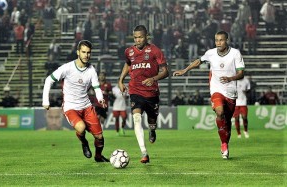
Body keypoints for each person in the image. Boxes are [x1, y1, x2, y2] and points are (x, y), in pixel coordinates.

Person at [173, 31, 245, 159]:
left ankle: (225, 142)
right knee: (219, 112)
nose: (218, 43)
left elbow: (241, 73)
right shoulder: (210, 53)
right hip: (216, 89)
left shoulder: (235, 53)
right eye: (216, 40)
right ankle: (223, 144)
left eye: (221, 40)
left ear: (227, 40)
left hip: (230, 91)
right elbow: (199, 61)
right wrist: (185, 70)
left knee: (226, 122)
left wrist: (230, 78)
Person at [42, 40, 109, 162]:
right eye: (83, 52)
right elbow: (48, 80)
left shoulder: (91, 70)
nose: (86, 55)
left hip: (87, 106)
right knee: (81, 127)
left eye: (88, 52)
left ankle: (98, 157)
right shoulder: (67, 68)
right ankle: (84, 143)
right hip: (71, 107)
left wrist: (100, 99)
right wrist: (45, 101)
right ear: (78, 52)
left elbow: (97, 87)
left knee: (99, 136)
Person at [118, 25, 169, 164]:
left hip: (151, 92)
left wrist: (153, 79)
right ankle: (144, 153)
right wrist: (121, 80)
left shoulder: (155, 51)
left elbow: (165, 71)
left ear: (147, 36)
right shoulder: (129, 51)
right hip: (135, 90)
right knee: (136, 119)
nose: (138, 40)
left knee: (152, 121)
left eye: (140, 37)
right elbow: (128, 65)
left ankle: (152, 130)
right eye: (135, 37)